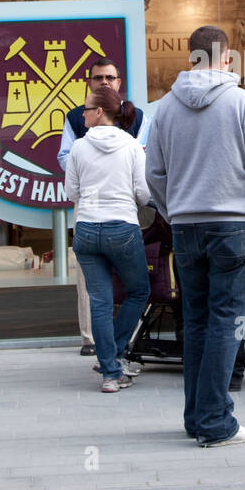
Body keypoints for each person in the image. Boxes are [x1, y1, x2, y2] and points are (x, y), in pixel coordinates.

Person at [145, 25, 245, 447]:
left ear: (190, 56)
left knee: (195, 321)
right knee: (228, 323)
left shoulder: (166, 110)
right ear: (227, 58)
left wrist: (174, 210)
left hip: (187, 228)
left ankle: (197, 416)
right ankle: (213, 421)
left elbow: (152, 174)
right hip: (236, 228)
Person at [63, 84, 153, 393]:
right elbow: (143, 193)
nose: (82, 114)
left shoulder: (78, 148)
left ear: (100, 112)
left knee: (99, 302)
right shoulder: (131, 147)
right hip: (122, 228)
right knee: (139, 291)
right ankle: (112, 356)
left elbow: (71, 193)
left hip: (86, 229)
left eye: (86, 109)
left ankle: (110, 372)